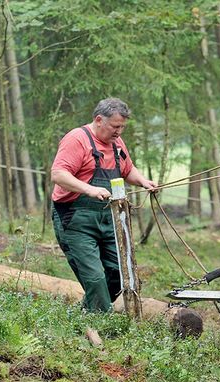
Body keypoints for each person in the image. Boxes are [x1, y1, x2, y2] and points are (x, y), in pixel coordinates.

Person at [51, 98, 157, 312]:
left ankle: (89, 314)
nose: (119, 132)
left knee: (121, 274)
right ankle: (100, 329)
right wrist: (89, 189)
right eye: (116, 126)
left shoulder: (117, 143)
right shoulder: (77, 139)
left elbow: (127, 169)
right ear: (99, 120)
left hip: (109, 220)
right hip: (75, 220)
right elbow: (58, 174)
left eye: (123, 127)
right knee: (95, 277)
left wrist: (143, 181)